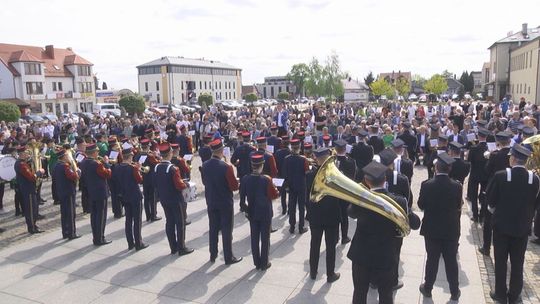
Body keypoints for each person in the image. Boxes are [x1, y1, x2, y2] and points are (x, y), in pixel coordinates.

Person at [348, 161, 407, 304]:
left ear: (367, 181)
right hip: (385, 255)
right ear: (385, 180)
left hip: (361, 254)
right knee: (386, 296)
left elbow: (350, 213)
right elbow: (415, 223)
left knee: (359, 293)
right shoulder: (398, 200)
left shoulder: (361, 199)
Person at [487, 144, 540, 304]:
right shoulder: (535, 179)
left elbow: (490, 200)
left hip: (502, 226)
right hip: (522, 228)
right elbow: (536, 203)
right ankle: (515, 294)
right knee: (518, 262)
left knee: (501, 261)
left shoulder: (501, 175)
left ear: (513, 158)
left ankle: (501, 294)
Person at [418, 153, 462, 301]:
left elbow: (420, 205)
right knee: (451, 261)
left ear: (435, 168)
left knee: (432, 260)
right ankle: (454, 291)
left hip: (432, 228)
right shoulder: (457, 186)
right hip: (451, 228)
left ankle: (428, 288)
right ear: (449, 169)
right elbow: (458, 205)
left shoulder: (426, 184)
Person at [201, 138, 242, 264]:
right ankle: (228, 257)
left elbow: (204, 182)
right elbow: (234, 187)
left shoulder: (204, 165)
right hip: (224, 202)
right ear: (221, 151)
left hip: (211, 200)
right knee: (226, 230)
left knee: (213, 228)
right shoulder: (226, 167)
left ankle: (212, 254)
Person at [306, 147, 341, 283]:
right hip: (331, 215)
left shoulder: (309, 174)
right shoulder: (334, 175)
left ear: (316, 158)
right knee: (330, 247)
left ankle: (313, 272)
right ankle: (330, 274)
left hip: (315, 215)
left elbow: (307, 197)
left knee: (314, 245)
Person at [240, 154, 279, 270]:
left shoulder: (245, 179)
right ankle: (264, 262)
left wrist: (248, 211)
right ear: (262, 165)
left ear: (252, 166)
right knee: (265, 238)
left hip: (252, 211)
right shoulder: (266, 179)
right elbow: (274, 195)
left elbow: (242, 201)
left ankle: (256, 262)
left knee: (254, 238)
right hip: (265, 212)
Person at [154, 143, 193, 256]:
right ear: (170, 153)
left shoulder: (157, 167)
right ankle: (181, 247)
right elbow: (179, 185)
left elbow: (154, 183)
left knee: (169, 222)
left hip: (164, 198)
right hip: (175, 199)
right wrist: (185, 184)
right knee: (180, 223)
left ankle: (173, 247)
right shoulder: (173, 168)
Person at [479, 131, 512, 256]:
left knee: (488, 220)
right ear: (509, 142)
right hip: (509, 190)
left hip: (494, 188)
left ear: (498, 142)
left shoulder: (495, 155)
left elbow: (487, 171)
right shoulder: (512, 154)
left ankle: (486, 247)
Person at [80, 143, 112, 246]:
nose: (98, 153)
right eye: (97, 151)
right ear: (93, 153)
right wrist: (106, 163)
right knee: (101, 216)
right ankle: (100, 238)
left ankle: (96, 237)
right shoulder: (97, 164)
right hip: (100, 192)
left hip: (91, 191)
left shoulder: (84, 162)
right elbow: (107, 174)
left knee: (94, 216)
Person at [117, 147, 148, 251]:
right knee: (137, 220)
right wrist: (139, 169)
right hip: (135, 195)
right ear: (130, 156)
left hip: (125, 196)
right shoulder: (132, 168)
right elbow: (140, 180)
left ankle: (130, 243)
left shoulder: (118, 167)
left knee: (128, 220)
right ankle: (139, 243)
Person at [14, 145, 45, 234]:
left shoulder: (23, 163)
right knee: (31, 209)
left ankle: (33, 225)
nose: (27, 154)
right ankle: (32, 228)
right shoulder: (21, 164)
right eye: (26, 153)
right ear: (22, 154)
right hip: (28, 189)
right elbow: (31, 177)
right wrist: (39, 172)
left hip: (29, 188)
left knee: (33, 208)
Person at [52, 149, 80, 240]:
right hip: (68, 192)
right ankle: (72, 233)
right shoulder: (65, 166)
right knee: (70, 213)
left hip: (61, 192)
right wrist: (78, 172)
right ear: (64, 157)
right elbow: (73, 177)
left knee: (64, 213)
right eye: (67, 156)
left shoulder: (56, 165)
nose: (69, 157)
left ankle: (65, 232)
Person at [283, 139, 310, 234]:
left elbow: (285, 173)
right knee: (301, 207)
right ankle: (301, 226)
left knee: (292, 206)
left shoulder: (287, 159)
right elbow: (307, 172)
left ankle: (292, 226)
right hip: (301, 185)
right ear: (299, 148)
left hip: (291, 185)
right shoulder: (303, 159)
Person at [334, 139, 356, 244]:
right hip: (345, 192)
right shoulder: (351, 162)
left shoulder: (331, 161)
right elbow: (352, 178)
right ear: (345, 149)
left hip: (334, 192)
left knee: (334, 215)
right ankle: (344, 236)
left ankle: (335, 236)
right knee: (344, 216)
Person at [134, 138, 161, 222]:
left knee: (146, 197)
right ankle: (153, 215)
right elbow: (158, 163)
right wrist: (157, 156)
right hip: (152, 178)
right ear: (148, 146)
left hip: (144, 178)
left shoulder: (138, 155)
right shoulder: (150, 156)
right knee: (153, 197)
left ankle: (148, 215)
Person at [467, 128, 489, 222]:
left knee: (473, 195)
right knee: (484, 195)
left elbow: (469, 161)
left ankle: (475, 215)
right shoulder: (489, 148)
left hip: (475, 174)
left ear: (478, 136)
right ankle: (483, 215)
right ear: (486, 137)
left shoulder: (474, 148)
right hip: (485, 175)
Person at [273, 136, 291, 215]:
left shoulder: (277, 152)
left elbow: (275, 164)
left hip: (280, 175)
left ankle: (284, 209)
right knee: (291, 194)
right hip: (289, 175)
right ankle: (290, 209)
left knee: (283, 194)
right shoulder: (290, 152)